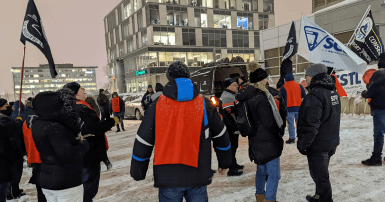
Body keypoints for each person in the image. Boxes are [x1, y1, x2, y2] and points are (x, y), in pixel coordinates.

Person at [130, 61, 232, 202]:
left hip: (168, 176)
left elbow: (143, 139)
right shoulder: (204, 104)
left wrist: (138, 170)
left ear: (169, 79)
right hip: (198, 174)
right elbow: (221, 135)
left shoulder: (157, 105)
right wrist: (225, 162)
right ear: (188, 77)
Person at [236, 61, 286, 202]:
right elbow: (269, 122)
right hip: (268, 141)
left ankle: (260, 196)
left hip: (256, 140)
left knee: (261, 170)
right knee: (274, 174)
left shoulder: (247, 96)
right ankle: (270, 199)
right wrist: (278, 132)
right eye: (264, 78)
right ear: (260, 81)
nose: (266, 81)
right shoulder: (262, 98)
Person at [32, 89, 89, 202]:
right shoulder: (55, 127)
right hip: (65, 181)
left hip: (47, 178)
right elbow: (67, 154)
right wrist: (83, 145)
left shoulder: (37, 123)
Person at [63, 82, 117, 202]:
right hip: (88, 154)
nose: (84, 90)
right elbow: (95, 128)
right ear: (76, 94)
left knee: (80, 188)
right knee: (87, 189)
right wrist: (111, 122)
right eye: (81, 89)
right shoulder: (82, 110)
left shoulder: (65, 110)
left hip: (74, 156)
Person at [297, 64, 341, 202]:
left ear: (314, 76)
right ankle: (320, 196)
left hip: (319, 144)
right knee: (321, 173)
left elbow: (311, 125)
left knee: (320, 176)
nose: (306, 78)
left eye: (307, 75)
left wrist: (303, 144)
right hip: (330, 141)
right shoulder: (333, 92)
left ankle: (325, 199)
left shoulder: (315, 95)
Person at [361, 53, 385, 166]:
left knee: (379, 134)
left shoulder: (378, 74)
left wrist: (364, 94)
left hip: (380, 108)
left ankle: (376, 158)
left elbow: (371, 89)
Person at [219, 78, 244, 176]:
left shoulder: (231, 95)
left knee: (234, 146)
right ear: (228, 87)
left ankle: (234, 164)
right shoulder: (227, 97)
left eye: (236, 84)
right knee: (232, 148)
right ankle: (232, 169)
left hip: (232, 126)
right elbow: (228, 116)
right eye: (234, 84)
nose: (237, 86)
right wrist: (234, 128)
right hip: (230, 127)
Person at [22, 106, 46, 202]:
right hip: (44, 158)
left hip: (32, 157)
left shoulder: (25, 123)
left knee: (39, 188)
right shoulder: (42, 122)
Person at [0, 99, 20, 202]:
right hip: (5, 162)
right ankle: (11, 193)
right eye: (5, 105)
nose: (8, 106)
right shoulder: (3, 121)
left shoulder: (6, 118)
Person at [279, 73, 306, 144]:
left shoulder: (283, 87)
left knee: (291, 124)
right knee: (299, 123)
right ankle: (301, 137)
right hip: (299, 108)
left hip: (289, 109)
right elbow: (304, 95)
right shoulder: (299, 85)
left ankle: (292, 138)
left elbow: (280, 97)